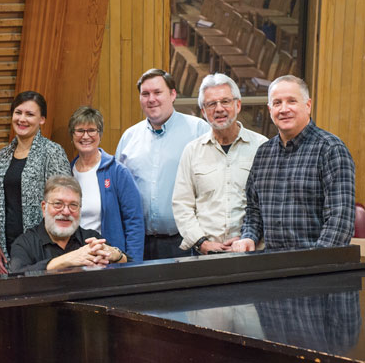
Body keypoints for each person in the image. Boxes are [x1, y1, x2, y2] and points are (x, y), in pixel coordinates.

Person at [231, 75, 355, 252]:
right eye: (277, 103)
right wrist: (249, 236)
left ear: (308, 105)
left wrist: (314, 266)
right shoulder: (263, 153)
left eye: (291, 101)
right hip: (272, 266)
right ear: (269, 109)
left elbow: (340, 220)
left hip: (317, 270)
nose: (284, 109)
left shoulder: (330, 150)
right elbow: (254, 210)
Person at [115, 68, 210, 260]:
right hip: (139, 244)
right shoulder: (129, 137)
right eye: (145, 94)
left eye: (158, 92)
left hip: (186, 242)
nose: (151, 99)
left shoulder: (198, 130)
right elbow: (120, 191)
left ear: (173, 94)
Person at [172, 73, 267, 255]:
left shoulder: (261, 147)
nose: (219, 109)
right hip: (205, 254)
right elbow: (182, 205)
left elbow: (269, 203)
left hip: (251, 251)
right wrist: (201, 242)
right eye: (211, 104)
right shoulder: (192, 151)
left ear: (237, 105)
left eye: (225, 101)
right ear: (203, 111)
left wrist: (249, 238)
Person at [0, 91, 71, 271]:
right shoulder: (3, 156)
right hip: (8, 248)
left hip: (42, 249)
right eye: (18, 112)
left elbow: (64, 202)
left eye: (30, 114)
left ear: (42, 119)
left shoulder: (53, 152)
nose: (22, 119)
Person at [69, 106, 145, 261]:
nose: (86, 136)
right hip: (76, 258)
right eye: (80, 130)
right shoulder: (66, 173)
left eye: (91, 130)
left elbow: (134, 222)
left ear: (100, 134)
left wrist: (132, 265)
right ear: (72, 135)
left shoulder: (117, 172)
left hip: (110, 260)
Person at [9, 175, 129, 272]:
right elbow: (17, 277)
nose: (66, 212)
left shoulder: (91, 239)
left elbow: (129, 266)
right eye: (58, 204)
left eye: (73, 205)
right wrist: (67, 260)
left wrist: (115, 254)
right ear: (44, 207)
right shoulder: (24, 243)